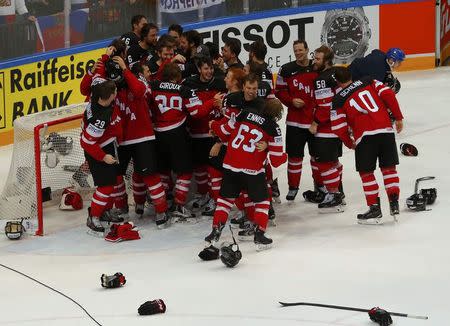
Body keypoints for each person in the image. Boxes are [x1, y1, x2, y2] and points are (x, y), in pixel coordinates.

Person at [205, 91, 287, 251]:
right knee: (262, 202)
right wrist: (275, 150)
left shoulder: (245, 113)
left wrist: (213, 125)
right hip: (252, 171)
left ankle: (214, 232)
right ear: (278, 115)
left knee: (224, 202)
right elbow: (277, 161)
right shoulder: (274, 129)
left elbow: (224, 131)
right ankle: (260, 235)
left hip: (230, 166)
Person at [331, 66, 404, 224]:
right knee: (389, 169)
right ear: (351, 75)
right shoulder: (368, 80)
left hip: (364, 137)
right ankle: (394, 203)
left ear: (337, 82)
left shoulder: (337, 100)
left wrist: (349, 143)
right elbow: (388, 93)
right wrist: (398, 117)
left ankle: (374, 209)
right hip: (385, 131)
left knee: (366, 173)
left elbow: (338, 128)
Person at [148, 63, 207, 220]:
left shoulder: (153, 85)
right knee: (185, 171)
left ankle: (162, 204)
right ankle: (179, 205)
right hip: (177, 134)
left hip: (157, 134)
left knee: (163, 171)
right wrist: (210, 103)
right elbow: (197, 112)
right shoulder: (184, 90)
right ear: (177, 78)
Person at [182, 56, 226, 215]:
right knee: (200, 168)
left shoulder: (221, 83)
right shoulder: (189, 84)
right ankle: (205, 195)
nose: (209, 72)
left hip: (214, 135)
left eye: (211, 68)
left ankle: (216, 199)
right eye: (206, 68)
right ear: (199, 69)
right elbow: (195, 113)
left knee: (214, 170)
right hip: (195, 134)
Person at [276, 40, 319, 202]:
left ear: (307, 50)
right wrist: (291, 101)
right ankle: (293, 187)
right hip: (295, 122)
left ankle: (319, 185)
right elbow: (279, 91)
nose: (298, 53)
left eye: (301, 50)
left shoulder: (316, 68)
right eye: (296, 51)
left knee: (316, 157)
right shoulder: (286, 69)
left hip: (314, 122)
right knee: (294, 157)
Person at [80, 79, 122, 236]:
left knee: (113, 180)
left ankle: (104, 212)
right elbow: (86, 142)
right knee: (106, 186)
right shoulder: (100, 118)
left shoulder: (96, 96)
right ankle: (94, 217)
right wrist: (103, 157)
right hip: (98, 150)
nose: (116, 94)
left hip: (107, 145)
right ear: (109, 96)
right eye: (115, 93)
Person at [309, 45, 345, 212]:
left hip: (327, 127)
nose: (314, 61)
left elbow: (325, 106)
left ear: (327, 61)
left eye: (317, 59)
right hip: (339, 125)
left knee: (324, 163)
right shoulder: (338, 72)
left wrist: (316, 122)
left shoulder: (322, 79)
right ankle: (339, 193)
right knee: (333, 161)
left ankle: (334, 195)